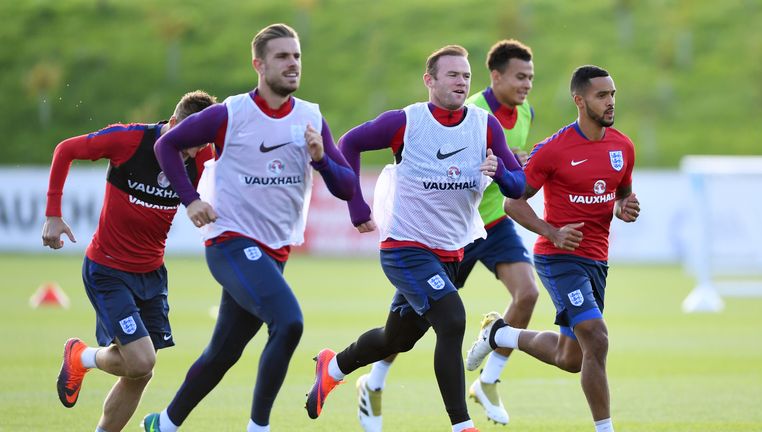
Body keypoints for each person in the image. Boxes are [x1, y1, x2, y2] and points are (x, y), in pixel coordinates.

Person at [141, 23, 355, 432]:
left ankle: (163, 424)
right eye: (282, 57)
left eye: (296, 56)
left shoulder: (311, 117)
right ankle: (259, 428)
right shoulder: (231, 113)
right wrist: (191, 200)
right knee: (289, 322)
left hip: (275, 252)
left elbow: (345, 188)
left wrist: (322, 158)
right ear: (258, 64)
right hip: (230, 242)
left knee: (223, 353)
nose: (293, 64)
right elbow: (165, 145)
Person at [305, 45, 526, 432]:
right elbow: (351, 142)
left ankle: (333, 367)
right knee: (453, 319)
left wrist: (501, 174)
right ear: (430, 80)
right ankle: (462, 425)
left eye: (466, 76)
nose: (461, 82)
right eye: (453, 75)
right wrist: (356, 206)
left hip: (451, 253)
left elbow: (519, 183)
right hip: (405, 249)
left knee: (397, 339)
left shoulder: (485, 125)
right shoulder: (406, 122)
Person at [466, 65, 640, 432]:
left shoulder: (623, 147)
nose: (610, 103)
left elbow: (622, 196)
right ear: (579, 101)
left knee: (571, 357)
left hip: (596, 261)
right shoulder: (554, 149)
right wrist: (552, 232)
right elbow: (513, 202)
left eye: (613, 95)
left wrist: (624, 208)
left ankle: (500, 333)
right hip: (558, 258)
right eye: (601, 96)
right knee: (596, 335)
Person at [44, 90, 218, 432]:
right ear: (173, 124)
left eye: (200, 145)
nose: (194, 153)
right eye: (189, 143)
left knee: (141, 372)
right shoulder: (129, 140)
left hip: (151, 274)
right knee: (141, 360)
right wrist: (52, 214)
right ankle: (81, 356)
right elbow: (65, 150)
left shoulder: (201, 155)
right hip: (108, 270)